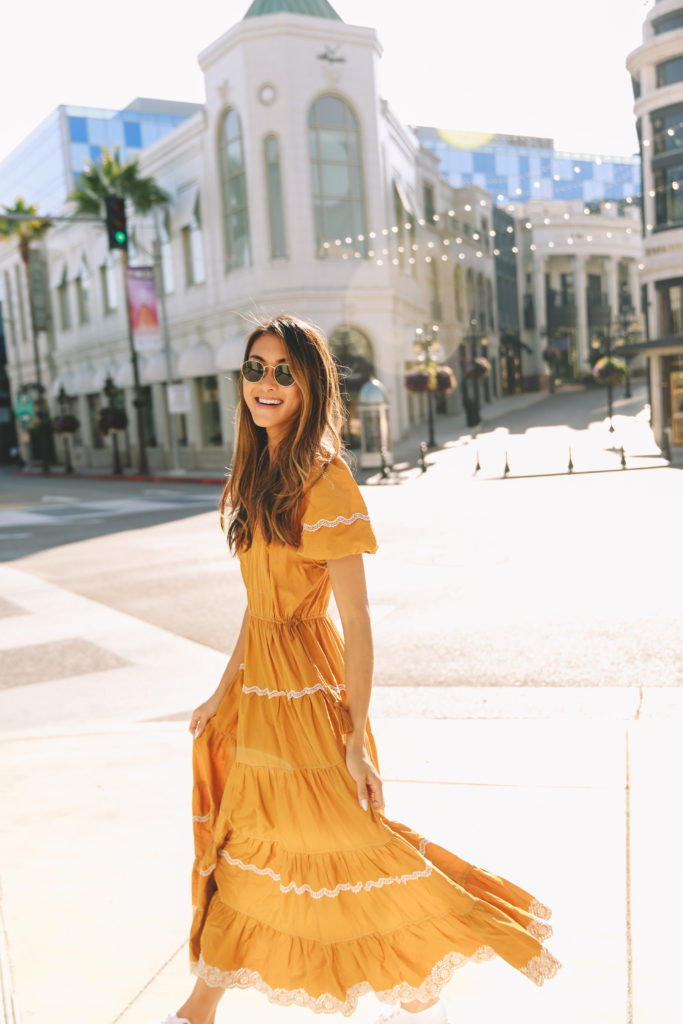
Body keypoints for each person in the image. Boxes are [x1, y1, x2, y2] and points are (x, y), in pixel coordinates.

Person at [155, 316, 560, 1024]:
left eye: (284, 371)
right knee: (248, 851)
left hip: (308, 702)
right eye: (255, 369)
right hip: (258, 704)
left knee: (352, 846)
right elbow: (260, 612)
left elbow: (358, 621)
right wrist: (221, 692)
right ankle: (198, 1010)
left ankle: (482, 927)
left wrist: (354, 733)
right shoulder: (256, 472)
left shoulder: (325, 477)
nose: (267, 384)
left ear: (310, 384)